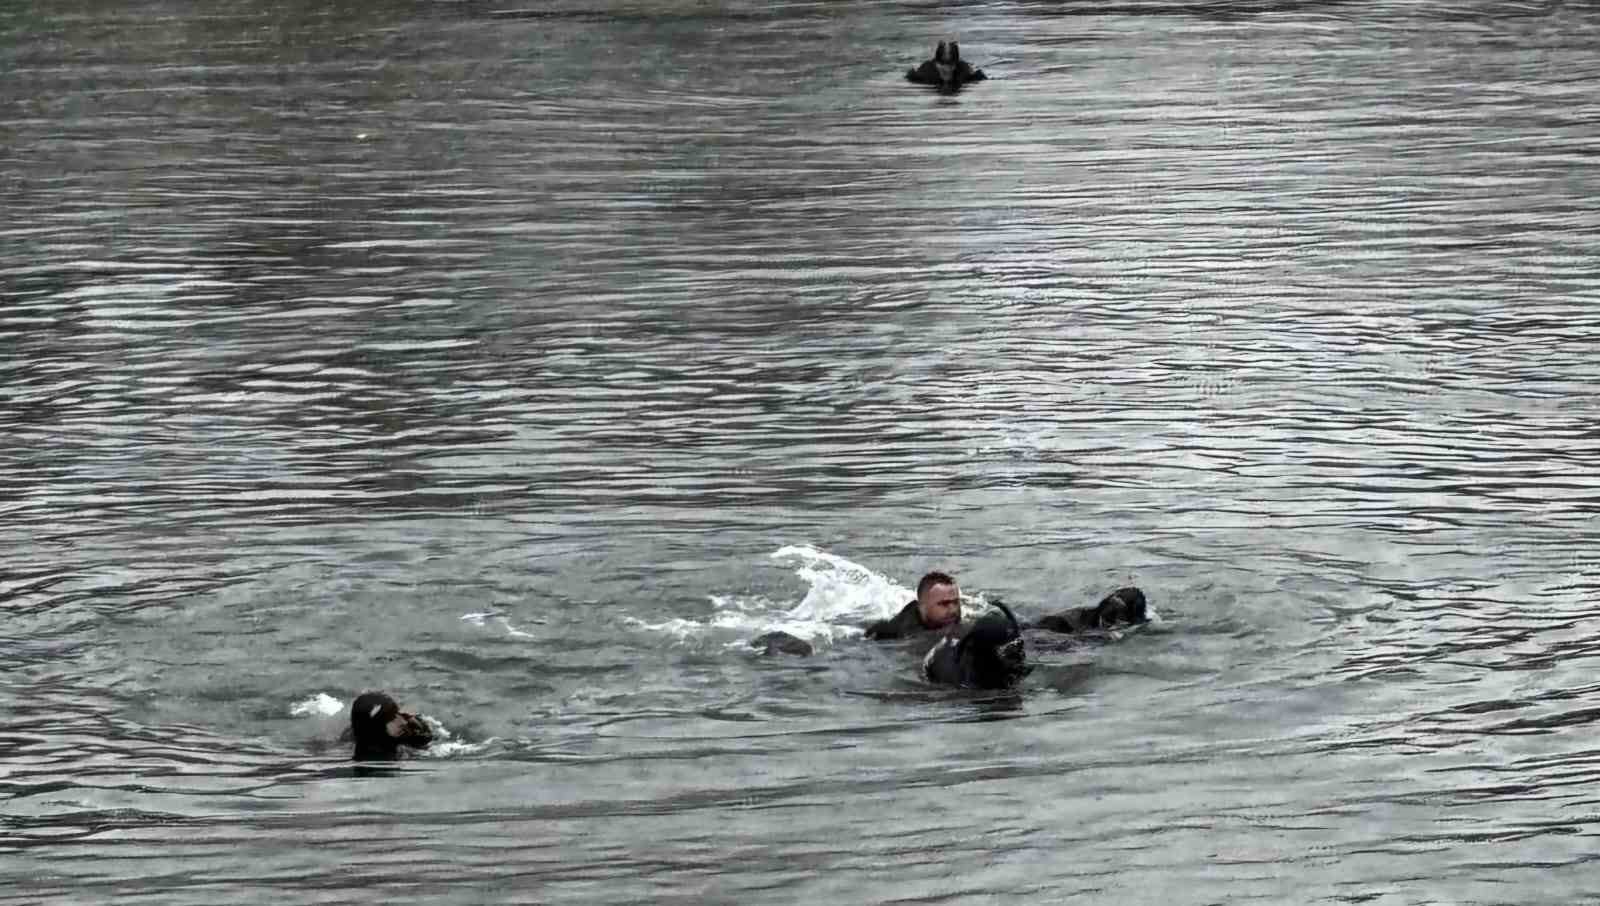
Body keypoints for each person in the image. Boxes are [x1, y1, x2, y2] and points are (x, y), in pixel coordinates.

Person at [864, 570, 963, 640]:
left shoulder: (953, 617)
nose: (953, 609)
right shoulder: (897, 632)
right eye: (944, 604)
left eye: (955, 602)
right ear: (922, 607)